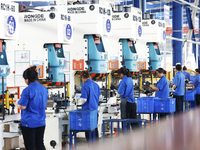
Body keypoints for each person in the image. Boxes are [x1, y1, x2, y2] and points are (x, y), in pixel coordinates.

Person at [18, 66, 48, 150]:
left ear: (27, 79)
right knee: (40, 145)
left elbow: (22, 107)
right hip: (41, 122)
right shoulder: (44, 89)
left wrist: (18, 104)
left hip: (29, 123)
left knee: (30, 146)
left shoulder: (27, 90)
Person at [80, 70, 101, 141]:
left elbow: (83, 100)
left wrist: (77, 102)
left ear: (82, 77)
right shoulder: (96, 85)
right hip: (95, 111)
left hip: (87, 112)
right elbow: (100, 97)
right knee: (95, 129)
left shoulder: (85, 86)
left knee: (88, 131)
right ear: (89, 76)